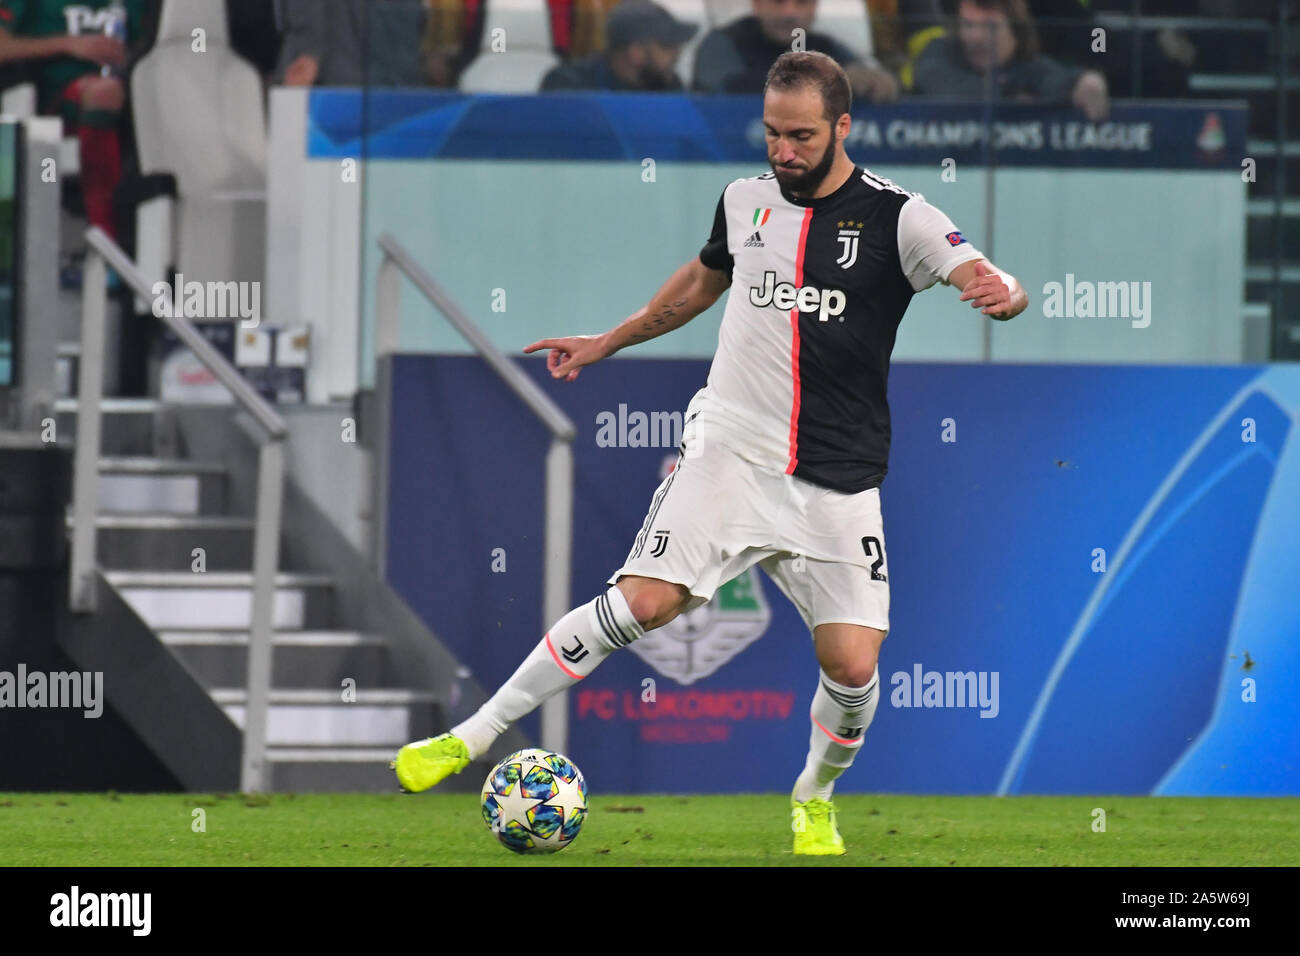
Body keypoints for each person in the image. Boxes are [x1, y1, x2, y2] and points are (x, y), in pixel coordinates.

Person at [394, 50, 1028, 856]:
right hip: (730, 450)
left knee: (855, 669)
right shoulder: (744, 202)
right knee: (642, 604)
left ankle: (813, 795)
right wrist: (607, 340)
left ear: (842, 126)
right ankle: (477, 734)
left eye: (800, 136)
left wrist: (1002, 295)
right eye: (771, 133)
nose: (783, 151)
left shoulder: (899, 217)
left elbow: (986, 273)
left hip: (837, 483)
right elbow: (699, 283)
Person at [0, 0, 143, 239]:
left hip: (130, 97)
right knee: (104, 93)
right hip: (51, 102)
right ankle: (106, 233)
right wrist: (68, 44)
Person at [912, 0, 1108, 120]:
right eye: (969, 25)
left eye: (991, 27)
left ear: (1014, 32)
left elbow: (1055, 80)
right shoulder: (941, 53)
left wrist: (1083, 82)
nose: (977, 38)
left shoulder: (1028, 65)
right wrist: (1009, 95)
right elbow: (940, 82)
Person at [692, 0, 899, 104]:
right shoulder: (724, 42)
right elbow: (727, 89)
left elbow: (864, 75)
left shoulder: (826, 47)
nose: (790, 12)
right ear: (757, 5)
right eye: (778, 1)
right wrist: (827, 80)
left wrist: (875, 81)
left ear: (814, 7)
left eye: (801, 2)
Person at [540, 0, 694, 92]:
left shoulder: (670, 86)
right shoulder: (567, 85)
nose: (677, 53)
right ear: (635, 53)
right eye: (666, 46)